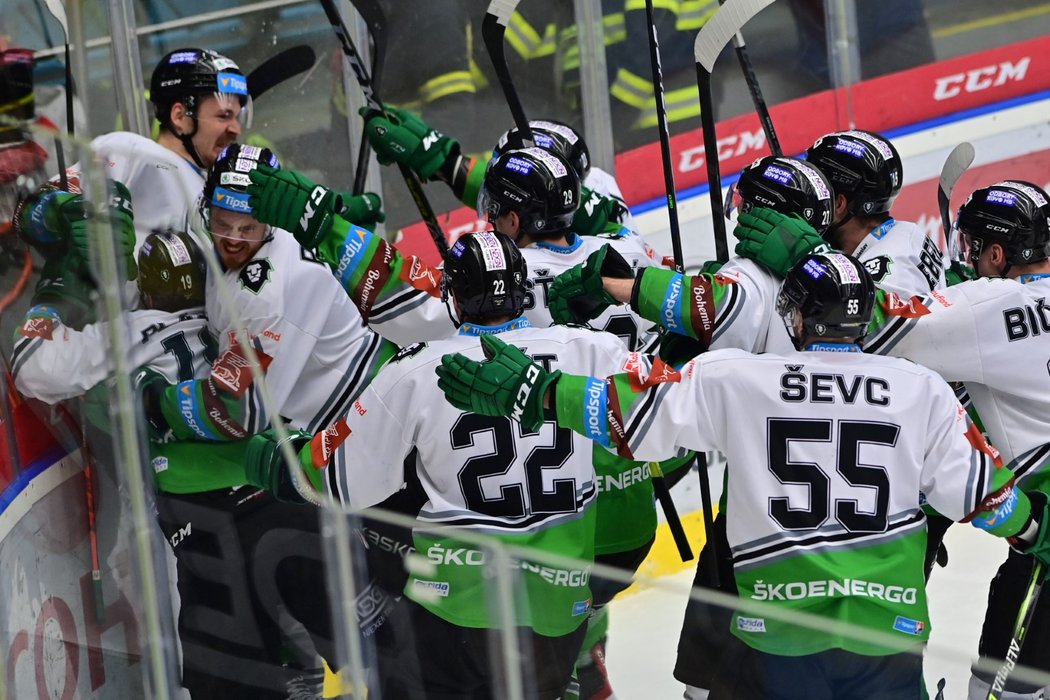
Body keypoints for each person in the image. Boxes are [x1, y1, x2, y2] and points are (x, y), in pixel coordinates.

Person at [435, 250, 1050, 700]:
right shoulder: (921, 391)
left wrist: (541, 394)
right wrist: (1039, 532)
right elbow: (987, 501)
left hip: (778, 633)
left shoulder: (739, 378)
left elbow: (630, 417)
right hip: (887, 634)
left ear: (798, 318)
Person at [548, 150, 952, 698]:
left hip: (767, 525)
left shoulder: (761, 281)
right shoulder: (845, 279)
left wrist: (620, 285)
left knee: (719, 675)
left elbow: (708, 304)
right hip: (875, 533)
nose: (738, 216)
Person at [244, 230, 650, 699]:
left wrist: (273, 456)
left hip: (457, 612)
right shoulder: (590, 351)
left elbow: (335, 481)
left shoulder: (415, 370)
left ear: (453, 296)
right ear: (522, 288)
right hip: (558, 615)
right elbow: (660, 421)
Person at [856, 180, 1050, 699]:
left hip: (1046, 539)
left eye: (971, 248)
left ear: (995, 252)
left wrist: (814, 260)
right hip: (1034, 545)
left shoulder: (989, 304)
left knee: (1005, 691)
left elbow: (871, 327)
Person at [139, 143, 397, 442]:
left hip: (360, 416)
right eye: (223, 223)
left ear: (270, 220)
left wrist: (161, 402)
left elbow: (241, 410)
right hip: (347, 395)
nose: (233, 240)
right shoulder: (259, 241)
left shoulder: (266, 297)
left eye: (248, 227)